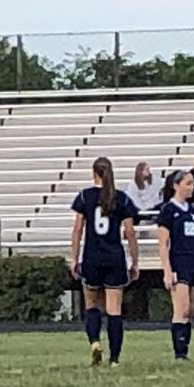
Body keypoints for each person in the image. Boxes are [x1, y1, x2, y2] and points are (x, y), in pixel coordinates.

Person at [69, 157, 140, 367]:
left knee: (91, 304)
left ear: (94, 174)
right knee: (114, 309)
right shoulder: (121, 198)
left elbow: (77, 229)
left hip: (92, 256)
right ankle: (114, 358)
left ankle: (95, 342)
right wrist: (135, 262)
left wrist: (74, 258)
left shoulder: (85, 196)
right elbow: (130, 232)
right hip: (114, 257)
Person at [157, 169, 194, 362]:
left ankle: (184, 348)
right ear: (176, 186)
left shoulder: (192, 211)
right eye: (188, 183)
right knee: (181, 308)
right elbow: (163, 243)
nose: (191, 188)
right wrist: (167, 271)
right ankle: (179, 353)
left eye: (192, 183)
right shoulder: (168, 210)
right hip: (179, 263)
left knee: (190, 310)